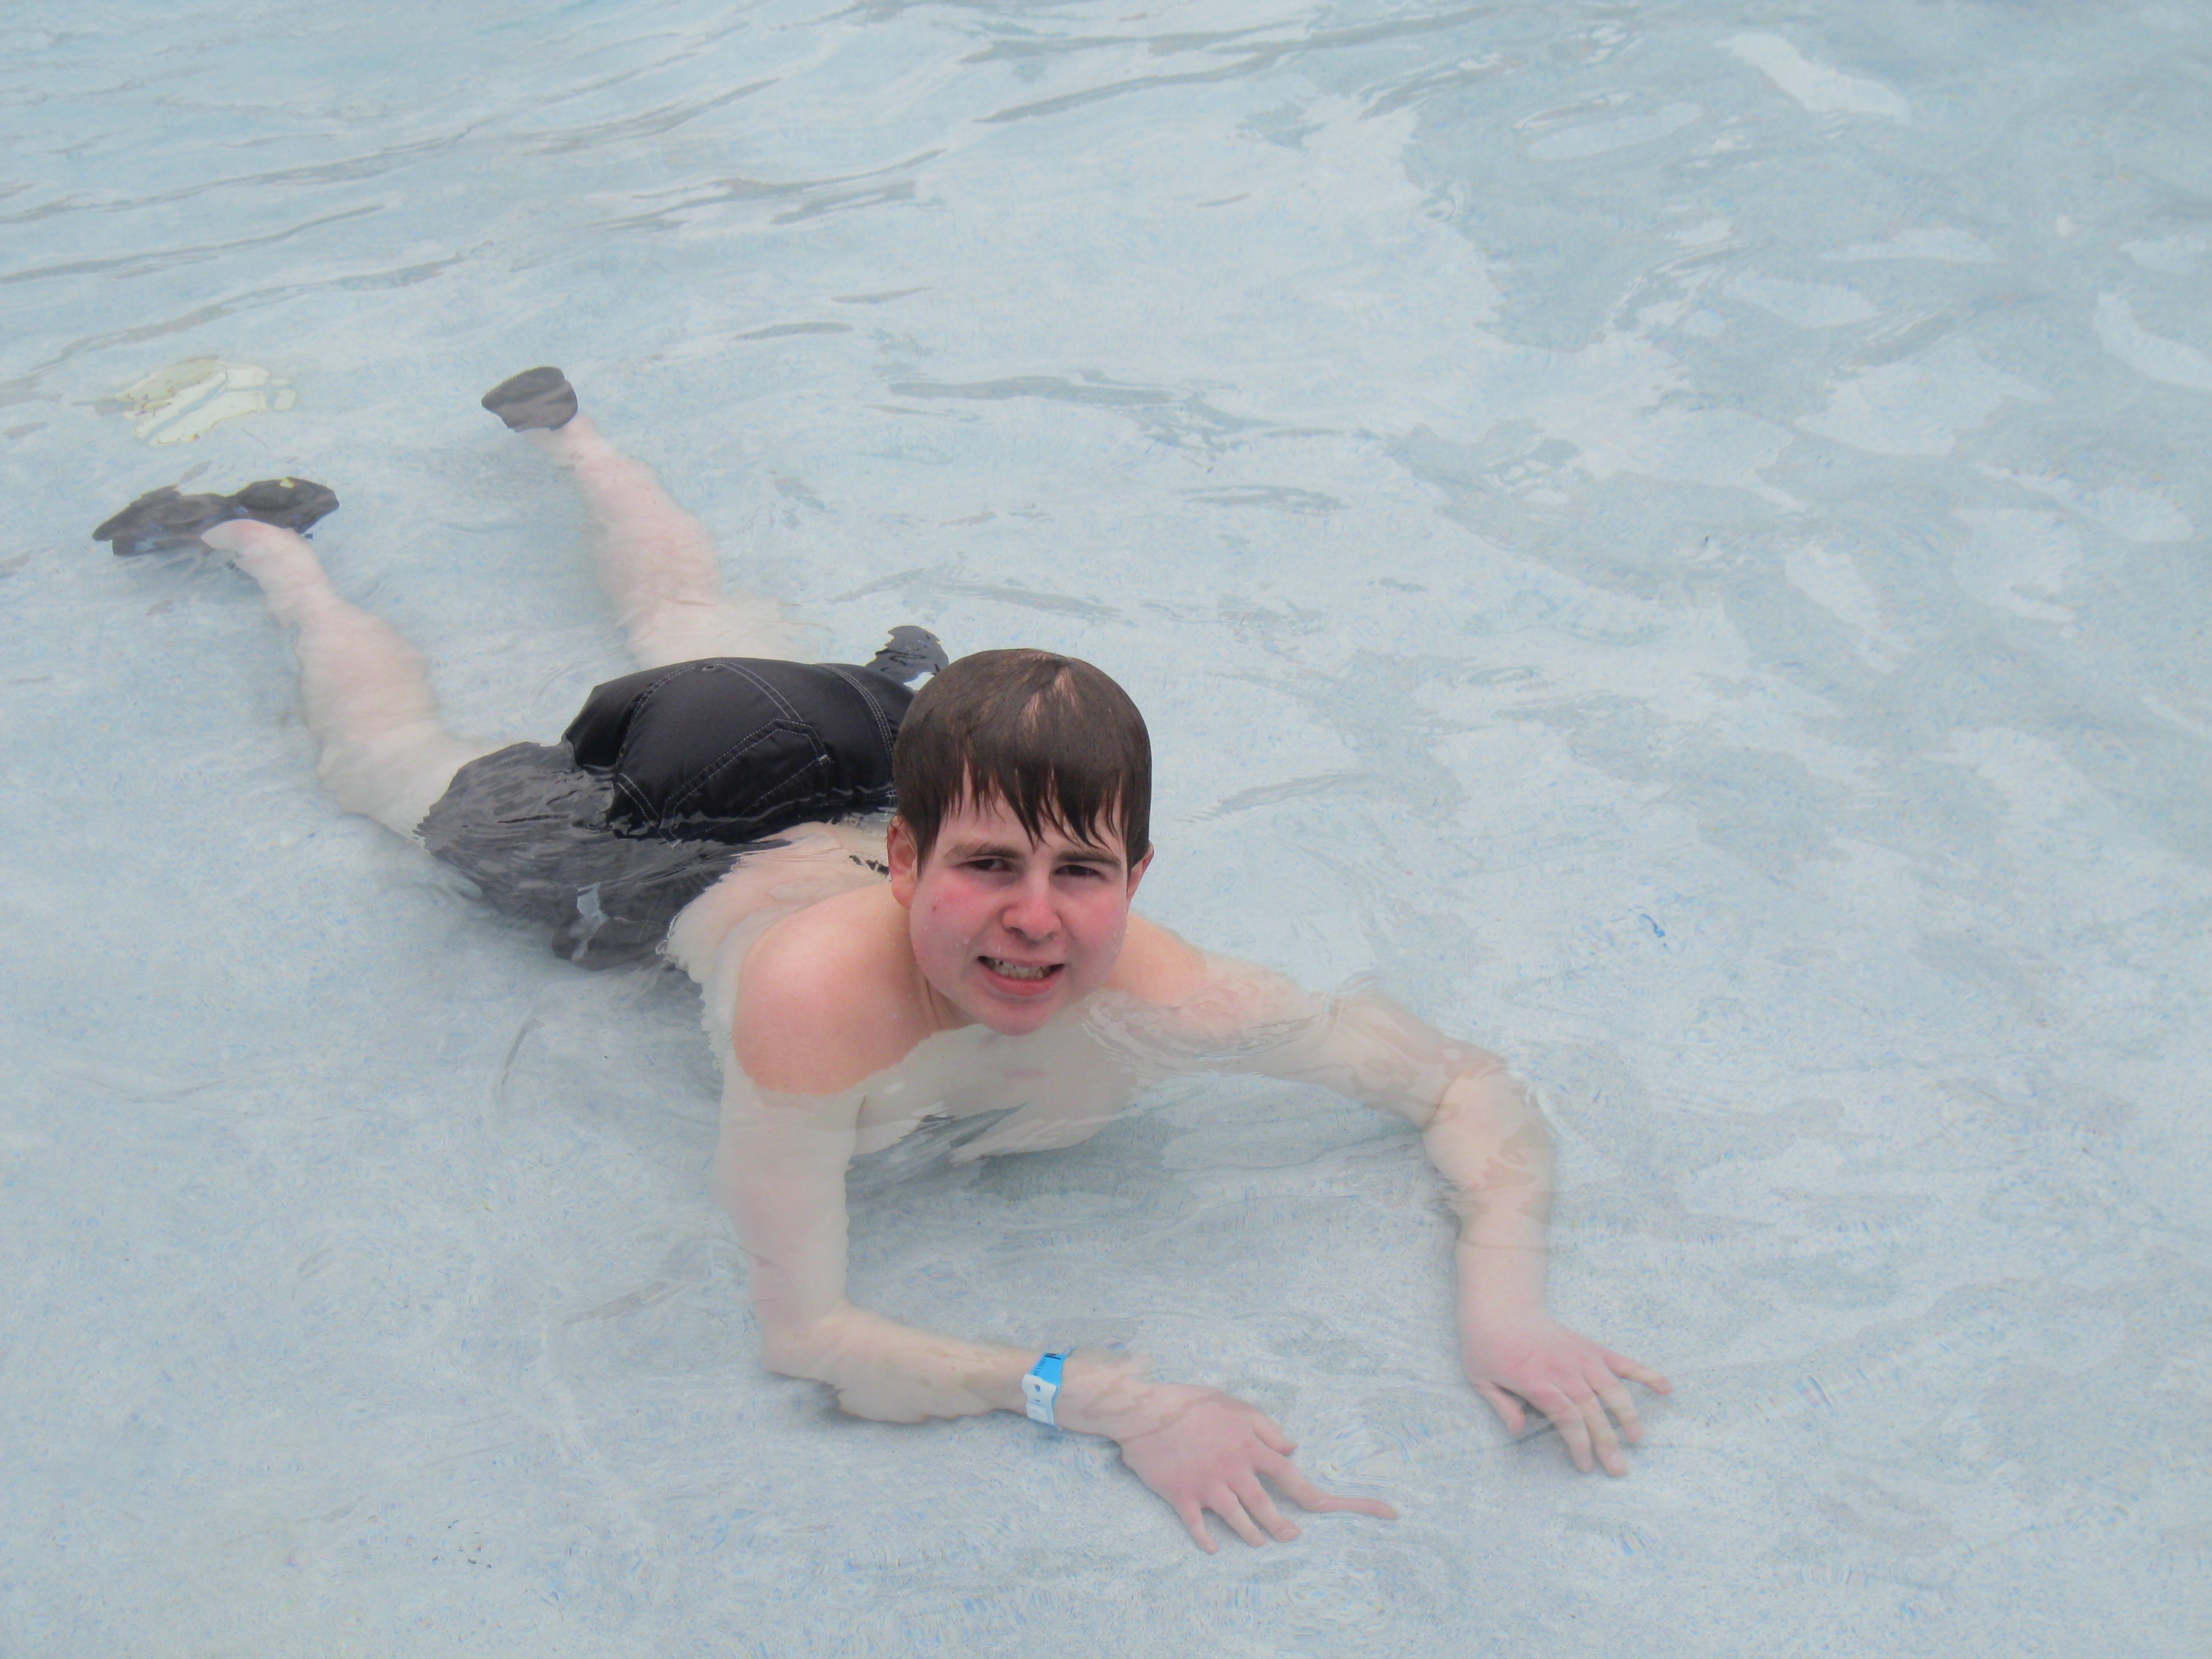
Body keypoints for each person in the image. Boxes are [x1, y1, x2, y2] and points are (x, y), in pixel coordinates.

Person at [94, 369, 1670, 1553]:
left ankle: (571, 436)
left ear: (1133, 879)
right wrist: (1118, 1401)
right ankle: (271, 551)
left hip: (848, 761)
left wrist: (1506, 1306)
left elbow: (1467, 1090)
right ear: (912, 860)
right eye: (989, 869)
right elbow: (811, 1338)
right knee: (394, 766)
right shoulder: (814, 1014)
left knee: (697, 616)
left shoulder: (1184, 995)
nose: (1034, 921)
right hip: (679, 858)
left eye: (1079, 874)